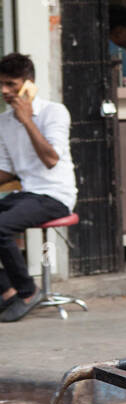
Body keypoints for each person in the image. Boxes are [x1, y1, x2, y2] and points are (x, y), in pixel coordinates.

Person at [0, 53, 76, 323]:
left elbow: (51, 159)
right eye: (1, 84)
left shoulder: (54, 112)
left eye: (11, 84)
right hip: (26, 194)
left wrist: (27, 120)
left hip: (55, 194)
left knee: (1, 226)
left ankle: (28, 290)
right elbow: (7, 170)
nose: (4, 91)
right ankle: (7, 290)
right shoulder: (5, 121)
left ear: (28, 84)